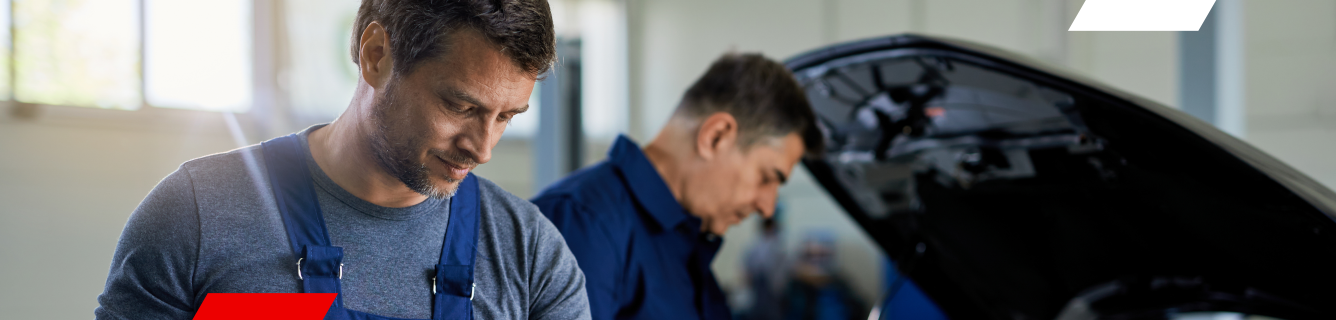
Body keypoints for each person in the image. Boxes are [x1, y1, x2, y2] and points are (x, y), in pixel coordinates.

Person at [94, 1, 589, 319]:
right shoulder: (198, 213)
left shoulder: (529, 253)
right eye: (461, 107)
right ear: (376, 55)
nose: (482, 148)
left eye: (506, 117)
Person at [531, 53, 823, 320]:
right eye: (766, 178)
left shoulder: (684, 245)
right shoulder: (584, 222)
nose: (767, 206)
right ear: (716, 136)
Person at [781, 230, 868, 320]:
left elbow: (859, 310)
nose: (816, 261)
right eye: (810, 255)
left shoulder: (841, 286)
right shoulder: (794, 288)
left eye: (822, 255)